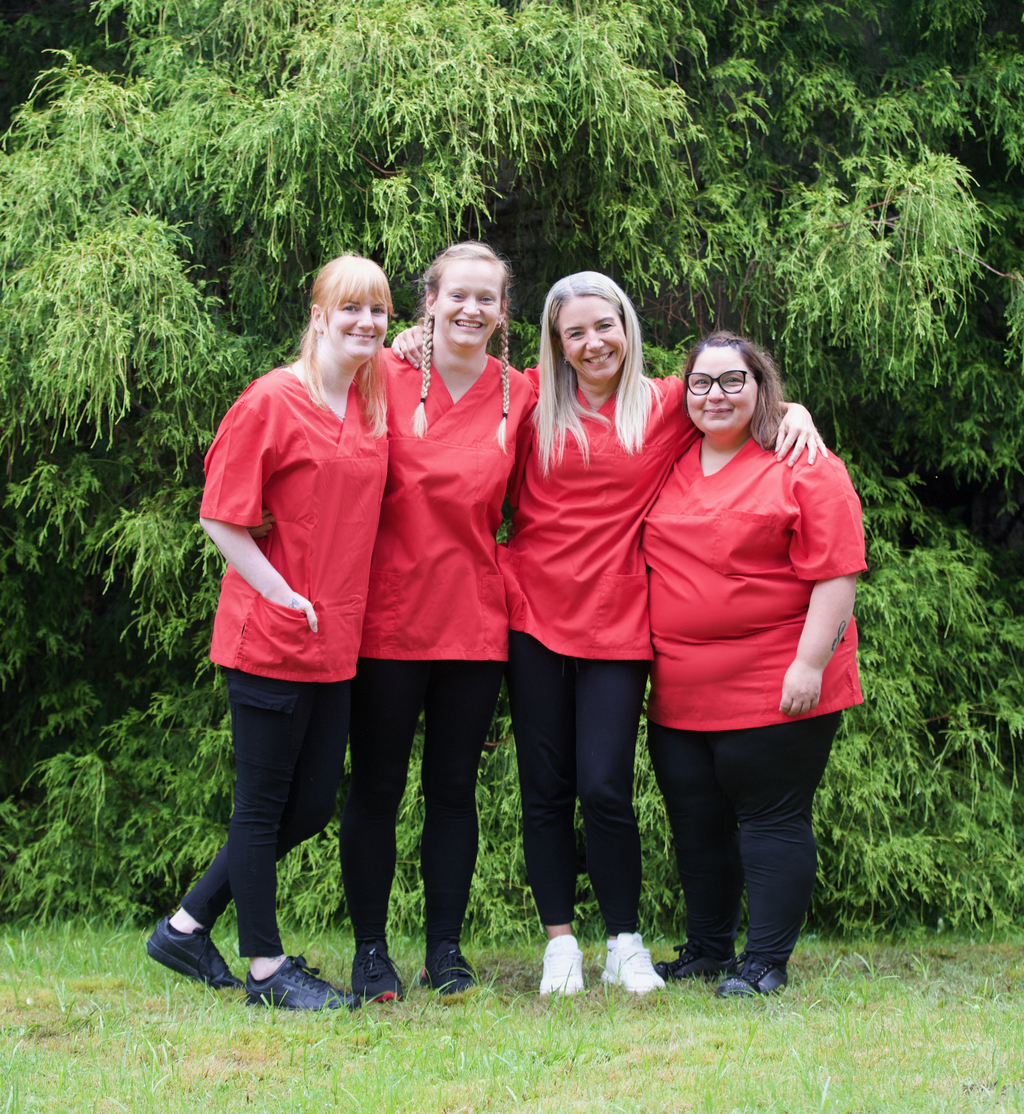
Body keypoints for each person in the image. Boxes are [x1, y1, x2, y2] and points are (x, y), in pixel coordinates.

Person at [394, 274, 822, 996]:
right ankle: (559, 942)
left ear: (626, 327)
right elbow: (460, 369)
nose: (593, 344)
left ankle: (625, 940)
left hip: (621, 621)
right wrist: (417, 340)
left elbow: (735, 401)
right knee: (545, 789)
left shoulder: (662, 404)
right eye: (576, 333)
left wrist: (795, 410)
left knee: (604, 786)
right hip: (531, 614)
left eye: (605, 327)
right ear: (557, 345)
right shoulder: (527, 397)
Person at [145, 255, 392, 1010]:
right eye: (350, 309)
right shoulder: (270, 401)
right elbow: (221, 514)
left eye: (378, 311)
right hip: (270, 634)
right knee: (259, 805)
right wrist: (281, 591)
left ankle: (186, 927)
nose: (365, 323)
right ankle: (265, 969)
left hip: (337, 641)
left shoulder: (369, 401)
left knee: (311, 805)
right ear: (318, 314)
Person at [339, 242, 537, 1002]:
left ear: (504, 311)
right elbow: (302, 399)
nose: (471, 309)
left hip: (474, 623)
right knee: (378, 787)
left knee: (453, 789)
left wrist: (790, 410)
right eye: (458, 295)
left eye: (487, 297)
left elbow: (619, 399)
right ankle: (368, 952)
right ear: (429, 300)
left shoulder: (521, 393)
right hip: (385, 620)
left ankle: (445, 952)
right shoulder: (378, 373)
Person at [642, 331, 866, 997]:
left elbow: (837, 572)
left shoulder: (803, 460)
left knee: (771, 820)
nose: (716, 394)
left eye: (733, 381)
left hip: (779, 676)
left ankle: (765, 962)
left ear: (760, 387)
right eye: (702, 382)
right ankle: (708, 950)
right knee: (697, 823)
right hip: (681, 687)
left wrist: (808, 663)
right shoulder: (672, 456)